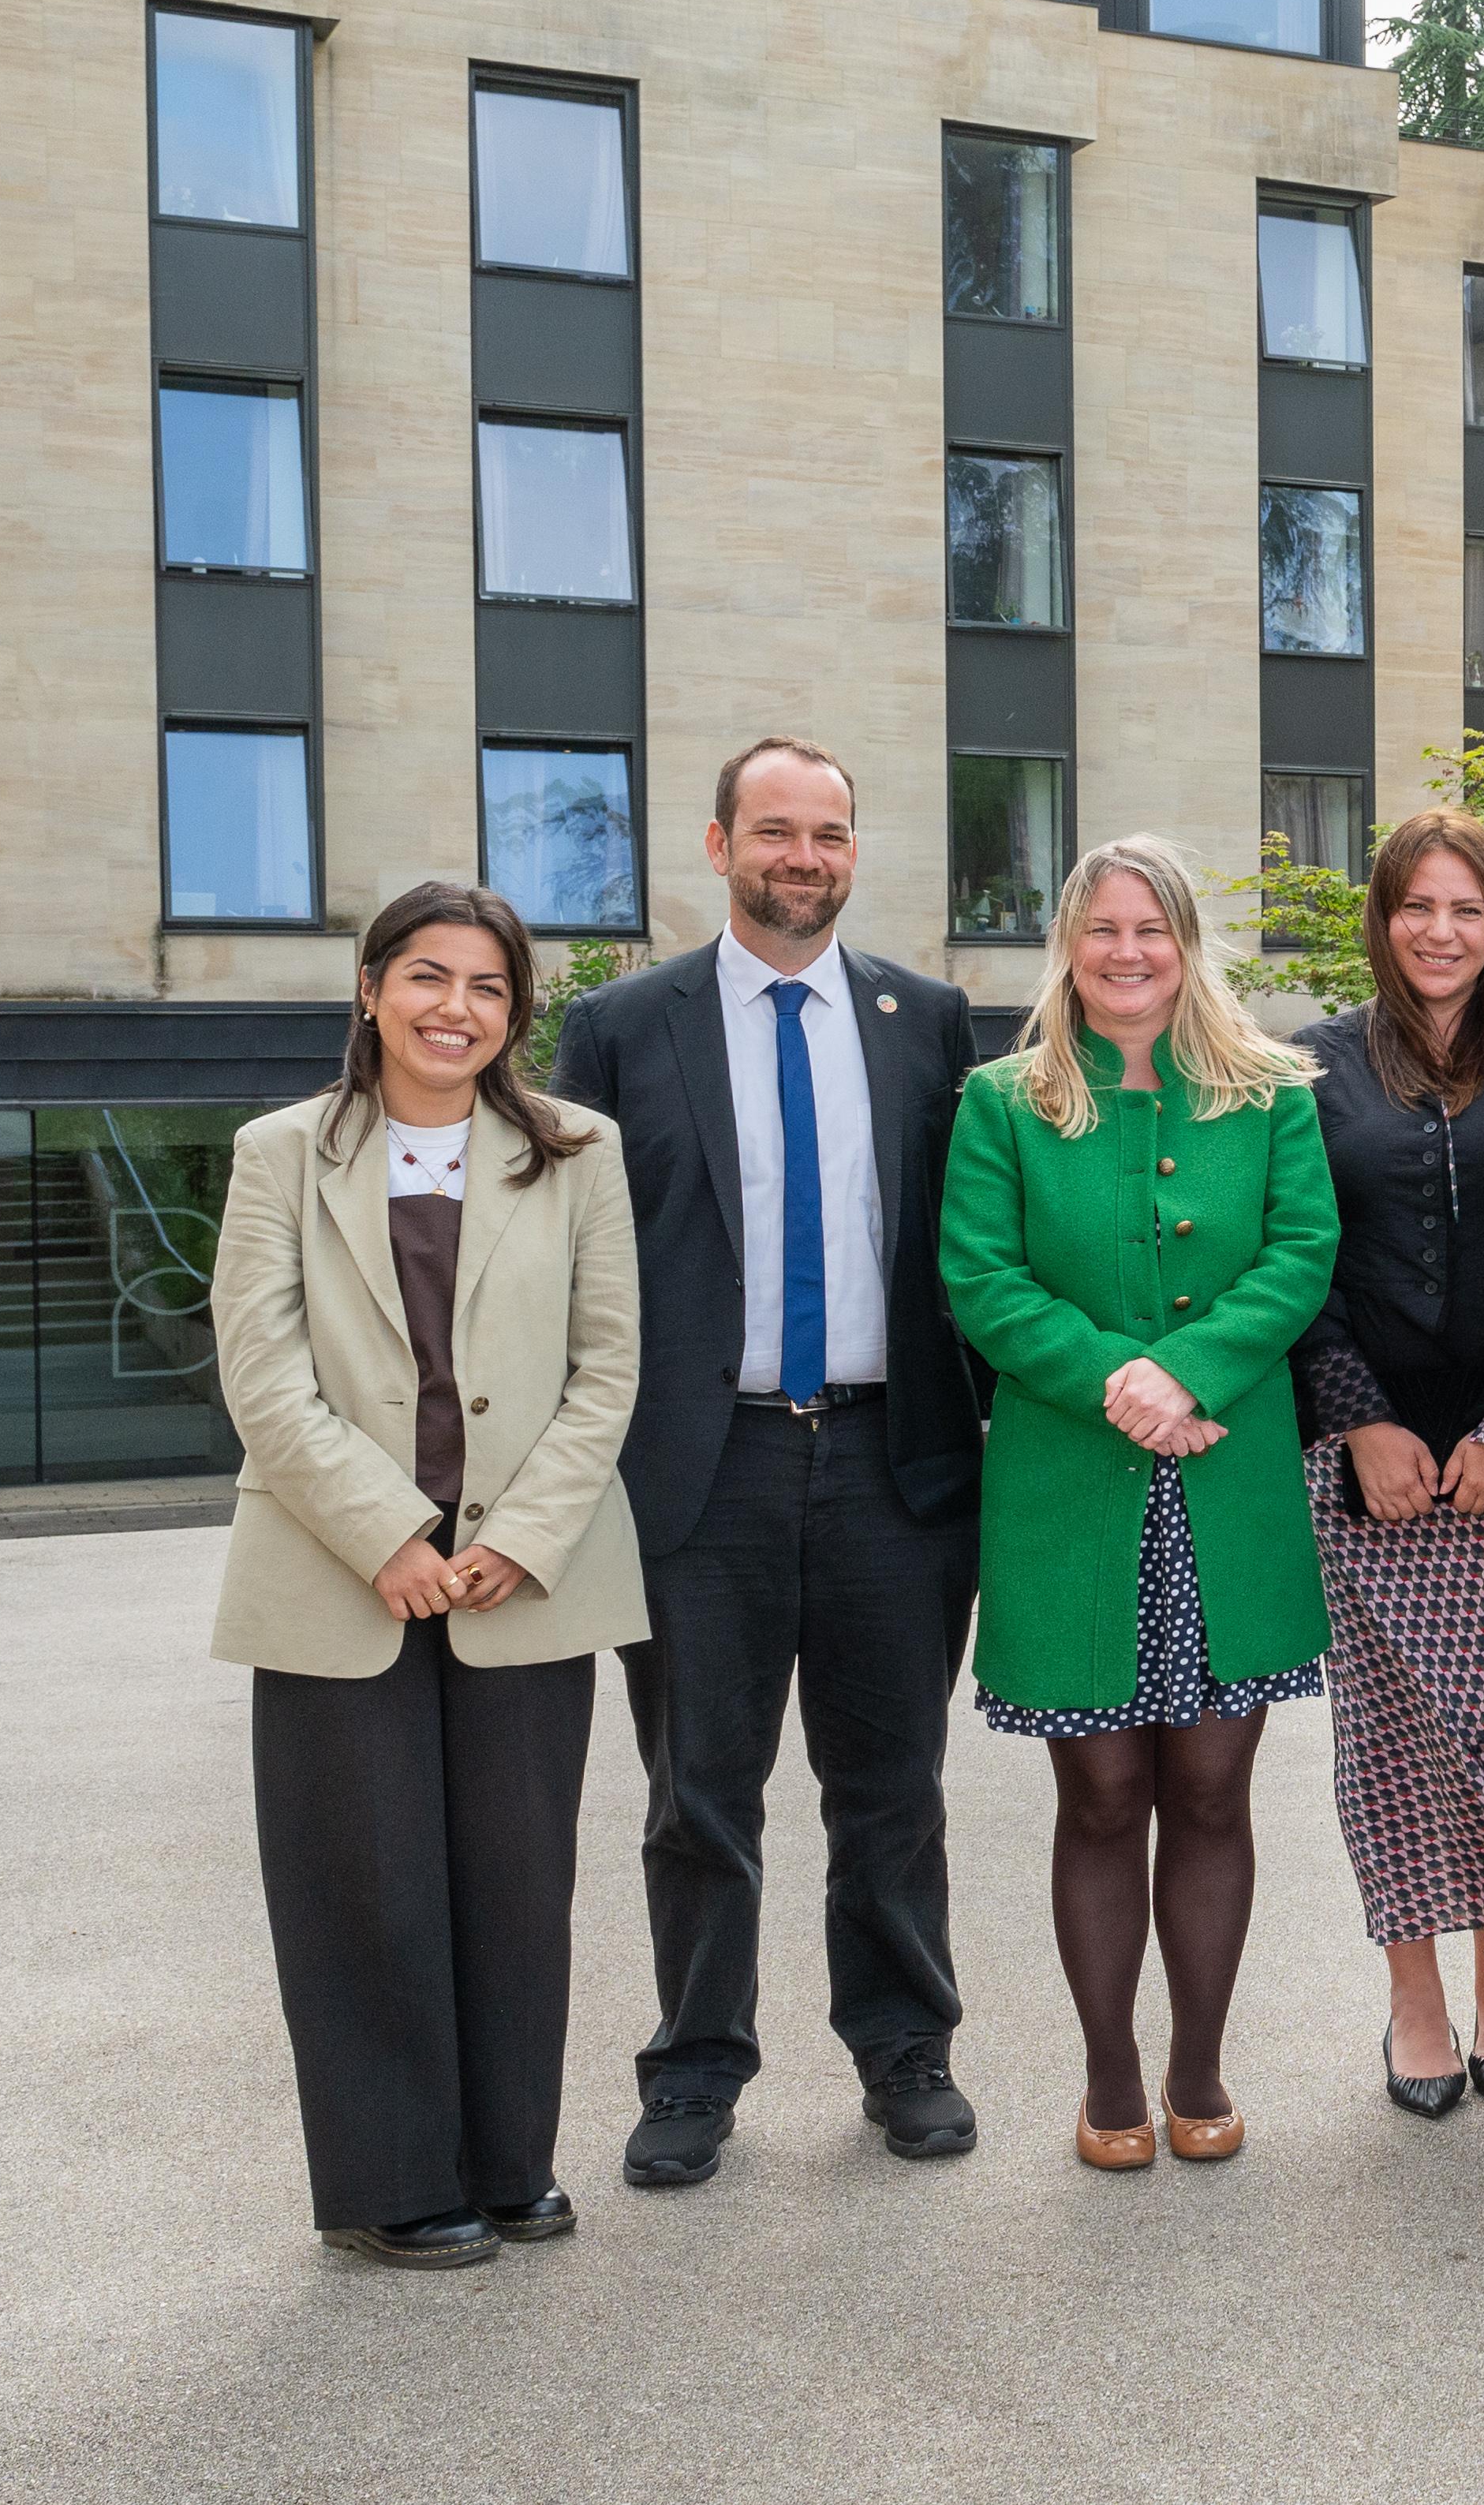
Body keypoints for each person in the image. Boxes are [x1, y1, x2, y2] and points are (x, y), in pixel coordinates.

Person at [552, 735, 988, 2190]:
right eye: (777, 832)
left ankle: (904, 2050)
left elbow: (966, 1250)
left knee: (894, 1786)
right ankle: (694, 2069)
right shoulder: (624, 1028)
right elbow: (579, 1255)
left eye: (830, 835)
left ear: (856, 853)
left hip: (890, 1461)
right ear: (719, 843)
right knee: (698, 1794)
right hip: (699, 1468)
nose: (804, 857)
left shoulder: (927, 1020)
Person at [210, 882, 641, 2267]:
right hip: (343, 1572)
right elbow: (261, 1371)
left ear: (516, 1013)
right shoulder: (281, 1153)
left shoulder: (579, 1150)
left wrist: (517, 1535)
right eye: (428, 978)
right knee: (362, 1884)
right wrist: (386, 1533)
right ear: (372, 989)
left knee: (519, 1883)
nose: (456, 1009)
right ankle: (394, 2180)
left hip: (524, 1569)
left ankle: (509, 2161)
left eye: (489, 988)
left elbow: (608, 1364)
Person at [937, 839, 1338, 2170]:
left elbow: (1300, 1255)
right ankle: (1110, 2075)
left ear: (1185, 943)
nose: (1126, 954)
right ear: (1068, 942)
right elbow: (981, 1281)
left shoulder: (1274, 1094)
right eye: (1102, 929)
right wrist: (1123, 1381)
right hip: (1071, 1487)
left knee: (1214, 1792)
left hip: (1228, 1483)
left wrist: (1190, 1370)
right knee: (1102, 1796)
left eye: (1150, 930)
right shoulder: (1004, 1100)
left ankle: (1200, 2066)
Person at [1286, 809, 1484, 2115]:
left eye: (1468, 909)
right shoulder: (1303, 1068)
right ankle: (1414, 1990)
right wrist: (1359, 1418)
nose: (1442, 931)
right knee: (1394, 1741)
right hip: (1363, 1461)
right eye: (1418, 906)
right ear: (1383, 918)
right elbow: (1295, 1263)